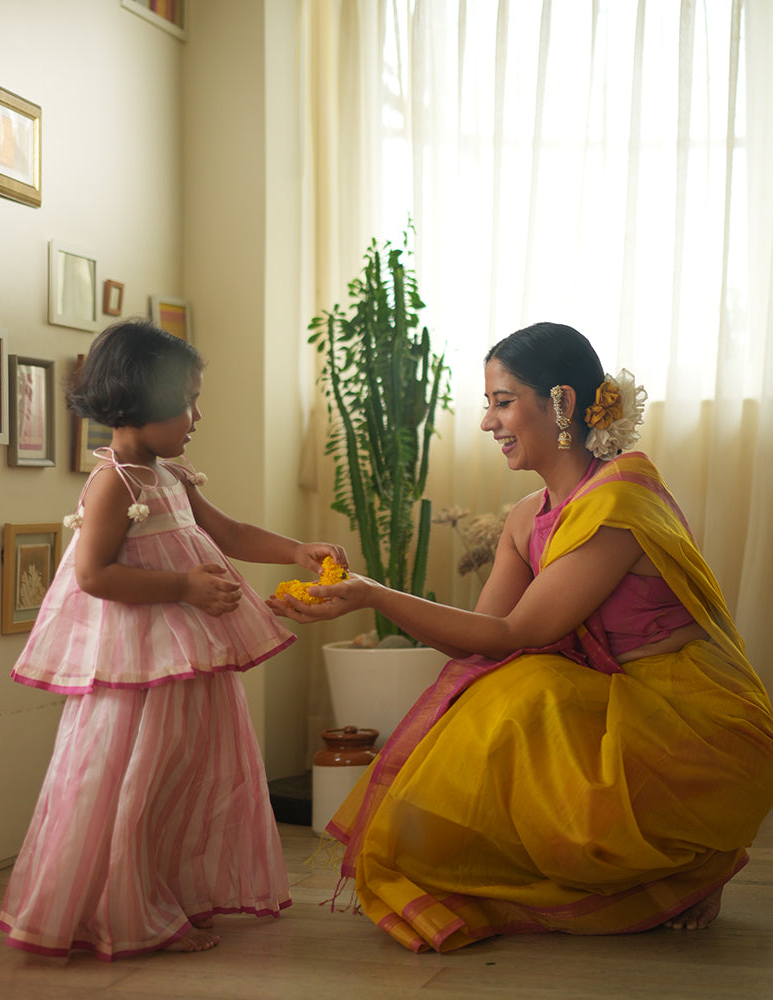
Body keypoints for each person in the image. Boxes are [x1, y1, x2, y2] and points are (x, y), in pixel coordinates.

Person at [269, 321, 773, 953]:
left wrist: (372, 593)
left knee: (524, 689)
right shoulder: (524, 518)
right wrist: (363, 596)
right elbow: (478, 640)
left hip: (687, 727)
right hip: (609, 705)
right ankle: (652, 871)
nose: (487, 422)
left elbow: (517, 633)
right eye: (488, 404)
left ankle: (695, 863)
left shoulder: (618, 503)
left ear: (559, 404)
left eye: (502, 402)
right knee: (492, 693)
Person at [0, 319, 347, 960]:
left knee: (179, 778)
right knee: (130, 781)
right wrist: (184, 588)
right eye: (185, 401)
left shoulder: (173, 474)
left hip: (184, 659)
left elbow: (230, 532)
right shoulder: (116, 482)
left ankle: (162, 892)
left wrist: (297, 548)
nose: (196, 415)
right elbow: (94, 574)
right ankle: (122, 913)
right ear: (139, 398)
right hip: (137, 667)